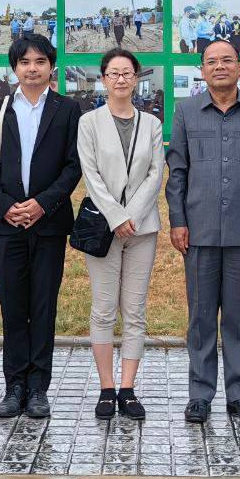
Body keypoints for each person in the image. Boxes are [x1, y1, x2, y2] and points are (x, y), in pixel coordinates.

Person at [166, 40, 240, 424]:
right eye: (212, 61)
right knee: (200, 318)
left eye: (227, 60)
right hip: (197, 231)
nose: (220, 67)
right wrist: (177, 220)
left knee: (237, 317)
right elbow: (177, 172)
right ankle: (200, 395)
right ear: (202, 70)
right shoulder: (186, 112)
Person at [0, 34, 83, 419]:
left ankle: (38, 387)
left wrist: (42, 203)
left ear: (51, 67)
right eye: (24, 62)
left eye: (40, 61)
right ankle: (14, 385)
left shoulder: (68, 109)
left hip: (49, 224)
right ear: (15, 68)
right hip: (8, 226)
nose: (32, 68)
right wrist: (6, 207)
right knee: (13, 307)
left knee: (42, 307)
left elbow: (74, 165)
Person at [77, 49, 164, 420]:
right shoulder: (89, 122)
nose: (121, 79)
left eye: (127, 72)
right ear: (103, 79)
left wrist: (132, 216)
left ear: (136, 77)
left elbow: (155, 173)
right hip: (103, 227)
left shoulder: (152, 124)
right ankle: (106, 388)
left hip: (142, 229)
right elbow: (91, 174)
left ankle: (127, 388)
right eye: (113, 73)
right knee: (103, 308)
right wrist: (116, 217)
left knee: (134, 309)